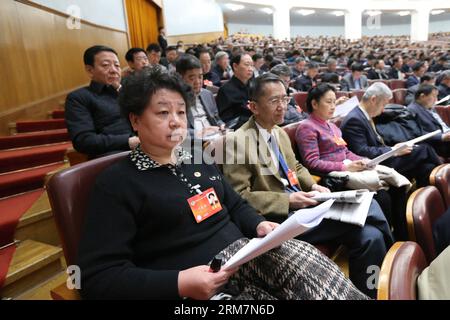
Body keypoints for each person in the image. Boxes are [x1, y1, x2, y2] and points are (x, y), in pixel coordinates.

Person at [77, 68, 368, 300]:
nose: (177, 122)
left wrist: (258, 225)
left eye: (181, 112)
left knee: (310, 270)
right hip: (198, 287)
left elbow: (235, 203)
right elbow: (98, 277)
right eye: (163, 113)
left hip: (246, 254)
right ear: (135, 120)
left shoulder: (194, 156)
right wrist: (178, 283)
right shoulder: (117, 183)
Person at [221, 73, 393, 298]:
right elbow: (238, 196)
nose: (282, 107)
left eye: (285, 99)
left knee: (371, 236)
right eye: (274, 101)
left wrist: (313, 186)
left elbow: (297, 168)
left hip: (304, 204)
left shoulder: (279, 132)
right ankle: (393, 262)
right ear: (253, 106)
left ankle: (370, 292)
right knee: (369, 209)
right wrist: (288, 200)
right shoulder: (238, 141)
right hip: (281, 219)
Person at [295, 84, 409, 239]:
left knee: (398, 188)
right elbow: (312, 162)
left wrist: (364, 161)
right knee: (383, 196)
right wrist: (345, 166)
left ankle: (403, 236)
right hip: (334, 179)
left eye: (334, 102)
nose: (333, 106)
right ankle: (390, 241)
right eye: (328, 102)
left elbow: (345, 151)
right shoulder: (307, 127)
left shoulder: (332, 126)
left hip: (350, 170)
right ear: (314, 104)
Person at [340, 82, 441, 188]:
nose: (383, 109)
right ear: (373, 99)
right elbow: (361, 151)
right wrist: (393, 151)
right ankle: (445, 175)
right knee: (424, 148)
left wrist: (394, 148)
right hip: (373, 164)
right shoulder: (354, 119)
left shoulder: (363, 115)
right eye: (383, 104)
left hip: (382, 156)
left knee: (427, 168)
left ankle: (428, 199)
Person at [65, 45, 139, 158]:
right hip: (114, 157)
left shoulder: (129, 92)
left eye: (117, 65)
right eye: (105, 65)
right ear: (90, 70)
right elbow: (84, 141)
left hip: (147, 150)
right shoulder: (79, 98)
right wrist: (129, 141)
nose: (114, 70)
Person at [176, 54, 225, 140]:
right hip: (194, 144)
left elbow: (217, 118)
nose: (198, 82)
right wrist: (200, 133)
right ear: (180, 78)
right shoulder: (175, 100)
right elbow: (177, 131)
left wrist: (221, 125)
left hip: (215, 137)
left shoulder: (207, 94)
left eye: (200, 76)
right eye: (192, 78)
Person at [407, 84, 450, 158]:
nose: (436, 99)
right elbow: (417, 134)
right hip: (437, 144)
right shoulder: (411, 110)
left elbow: (441, 125)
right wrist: (442, 137)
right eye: (433, 96)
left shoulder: (429, 107)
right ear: (422, 96)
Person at [216, 53, 254, 129]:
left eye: (252, 65)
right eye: (247, 65)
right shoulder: (225, 89)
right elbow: (226, 119)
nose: (250, 69)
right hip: (240, 129)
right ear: (235, 66)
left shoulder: (255, 85)